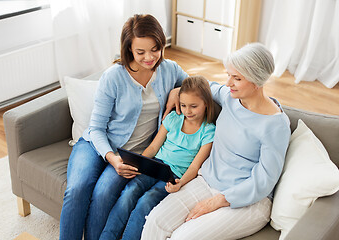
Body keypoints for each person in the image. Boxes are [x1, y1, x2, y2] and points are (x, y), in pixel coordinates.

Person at [141, 43, 292, 240]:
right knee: (155, 222)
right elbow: (200, 86)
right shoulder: (230, 98)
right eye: (229, 75)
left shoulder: (275, 125)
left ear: (256, 81)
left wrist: (219, 201)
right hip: (208, 181)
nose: (228, 83)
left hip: (249, 201)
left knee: (182, 238)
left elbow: (263, 181)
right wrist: (177, 90)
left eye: (236, 78)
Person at [59, 14, 188, 240]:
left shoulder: (170, 69)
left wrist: (180, 89)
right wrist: (112, 158)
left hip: (133, 155)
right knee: (77, 190)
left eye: (155, 49)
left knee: (103, 193)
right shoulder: (113, 77)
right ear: (128, 49)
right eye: (140, 52)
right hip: (94, 144)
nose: (149, 57)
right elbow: (97, 128)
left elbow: (200, 86)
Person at [99, 76, 216, 240]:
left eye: (193, 106)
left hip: (174, 177)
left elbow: (195, 167)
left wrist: (180, 183)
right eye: (183, 105)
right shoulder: (174, 118)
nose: (188, 111)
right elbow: (154, 147)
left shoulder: (208, 131)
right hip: (155, 166)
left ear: (206, 104)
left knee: (146, 201)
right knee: (128, 193)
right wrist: (139, 162)